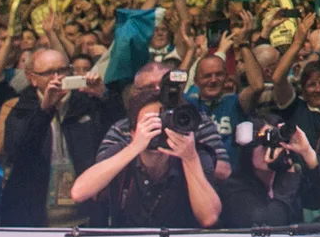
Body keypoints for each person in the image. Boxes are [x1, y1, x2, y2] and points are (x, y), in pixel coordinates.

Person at [0, 47, 116, 227]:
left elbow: (120, 133)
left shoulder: (87, 104)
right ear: (32, 78)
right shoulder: (21, 109)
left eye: (63, 71)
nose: (58, 78)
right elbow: (18, 152)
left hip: (85, 218)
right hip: (36, 219)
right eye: (50, 73)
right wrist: (45, 110)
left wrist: (104, 95)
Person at [71, 90, 224, 229]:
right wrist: (134, 147)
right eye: (150, 123)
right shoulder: (122, 152)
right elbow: (79, 192)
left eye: (164, 122)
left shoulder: (195, 155)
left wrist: (190, 159)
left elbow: (209, 218)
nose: (158, 130)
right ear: (133, 131)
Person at [220, 116, 320, 228]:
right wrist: (287, 183)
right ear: (248, 151)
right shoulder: (234, 188)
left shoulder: (288, 177)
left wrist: (307, 152)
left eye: (278, 143)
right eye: (266, 144)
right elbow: (268, 224)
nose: (273, 149)